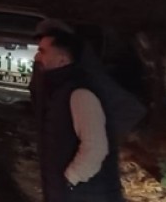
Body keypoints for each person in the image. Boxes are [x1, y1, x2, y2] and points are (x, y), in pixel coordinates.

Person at [35, 28, 123, 202]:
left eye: (43, 51)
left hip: (86, 195)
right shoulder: (61, 90)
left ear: (62, 60)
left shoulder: (80, 93)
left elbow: (96, 148)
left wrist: (70, 179)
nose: (37, 57)